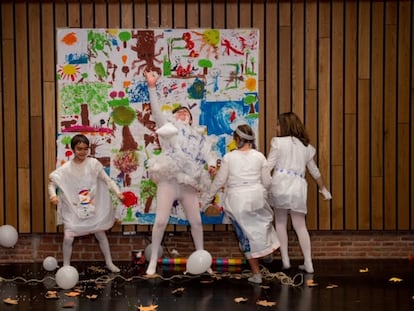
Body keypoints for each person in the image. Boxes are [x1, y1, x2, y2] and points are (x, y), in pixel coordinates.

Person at [143, 71, 218, 276]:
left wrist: (211, 164)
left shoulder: (199, 137)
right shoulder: (169, 130)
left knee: (196, 221)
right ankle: (152, 263)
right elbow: (157, 112)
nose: (183, 113)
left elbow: (208, 154)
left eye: (187, 112)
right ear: (174, 117)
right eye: (180, 112)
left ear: (191, 118)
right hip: (169, 180)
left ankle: (203, 259)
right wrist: (151, 87)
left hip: (188, 183)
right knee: (160, 220)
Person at [202, 124, 280, 284]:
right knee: (261, 228)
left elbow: (219, 181)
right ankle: (266, 252)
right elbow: (267, 182)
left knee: (245, 237)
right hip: (257, 199)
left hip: (238, 202)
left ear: (237, 139)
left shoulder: (229, 157)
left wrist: (207, 199)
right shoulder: (259, 156)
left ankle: (257, 274)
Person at [265, 112, 332, 274]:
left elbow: (267, 167)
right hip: (298, 187)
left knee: (280, 222)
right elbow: (315, 171)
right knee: (300, 225)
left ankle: (286, 259)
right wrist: (323, 189)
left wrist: (262, 186)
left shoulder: (278, 143)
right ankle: (308, 262)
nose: (276, 127)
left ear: (285, 125)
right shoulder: (306, 147)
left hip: (280, 184)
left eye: (278, 124)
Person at [48, 134, 124, 273]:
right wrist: (53, 196)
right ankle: (66, 266)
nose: (82, 152)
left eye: (85, 149)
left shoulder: (93, 164)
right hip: (74, 210)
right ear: (73, 149)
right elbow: (52, 184)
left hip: (92, 208)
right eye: (79, 149)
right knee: (68, 237)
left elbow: (108, 180)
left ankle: (109, 262)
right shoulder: (66, 169)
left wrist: (117, 192)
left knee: (100, 234)